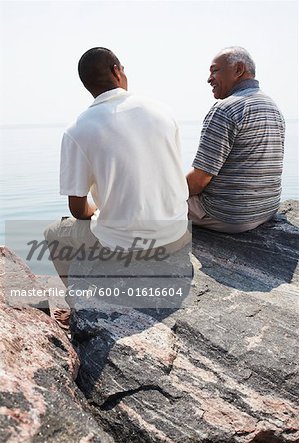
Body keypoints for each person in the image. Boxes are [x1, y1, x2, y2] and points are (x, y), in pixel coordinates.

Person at [44, 47, 190, 327]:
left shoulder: (77, 129)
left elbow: (77, 209)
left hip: (127, 246)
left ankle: (77, 308)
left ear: (87, 85)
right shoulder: (162, 110)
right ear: (117, 70)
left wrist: (99, 209)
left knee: (53, 233)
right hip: (177, 233)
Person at [187, 46, 285, 233]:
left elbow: (198, 181)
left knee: (155, 199)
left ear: (239, 70)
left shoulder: (226, 109)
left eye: (214, 70)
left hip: (228, 215)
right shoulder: (272, 106)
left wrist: (167, 190)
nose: (209, 79)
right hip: (266, 210)